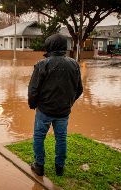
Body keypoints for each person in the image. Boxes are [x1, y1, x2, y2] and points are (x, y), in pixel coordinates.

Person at [28, 34, 83, 176]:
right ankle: (60, 168)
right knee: (61, 138)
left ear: (50, 46)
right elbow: (79, 89)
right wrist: (69, 103)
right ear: (65, 47)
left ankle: (39, 165)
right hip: (64, 111)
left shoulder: (42, 64)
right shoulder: (74, 64)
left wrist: (33, 104)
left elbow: (33, 89)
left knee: (39, 137)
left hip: (44, 110)